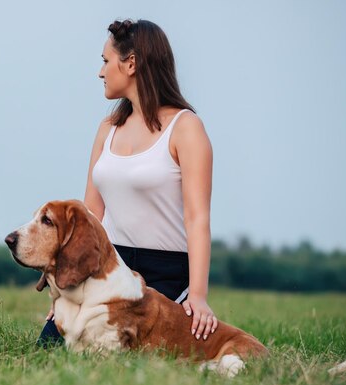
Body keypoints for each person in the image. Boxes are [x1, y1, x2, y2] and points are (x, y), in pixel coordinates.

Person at [38, 18, 218, 347]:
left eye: (106, 61)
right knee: (48, 348)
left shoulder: (186, 127)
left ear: (131, 63)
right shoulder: (108, 128)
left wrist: (199, 295)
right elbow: (89, 213)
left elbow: (197, 218)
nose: (101, 71)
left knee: (133, 360)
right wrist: (67, 291)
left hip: (166, 271)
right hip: (109, 265)